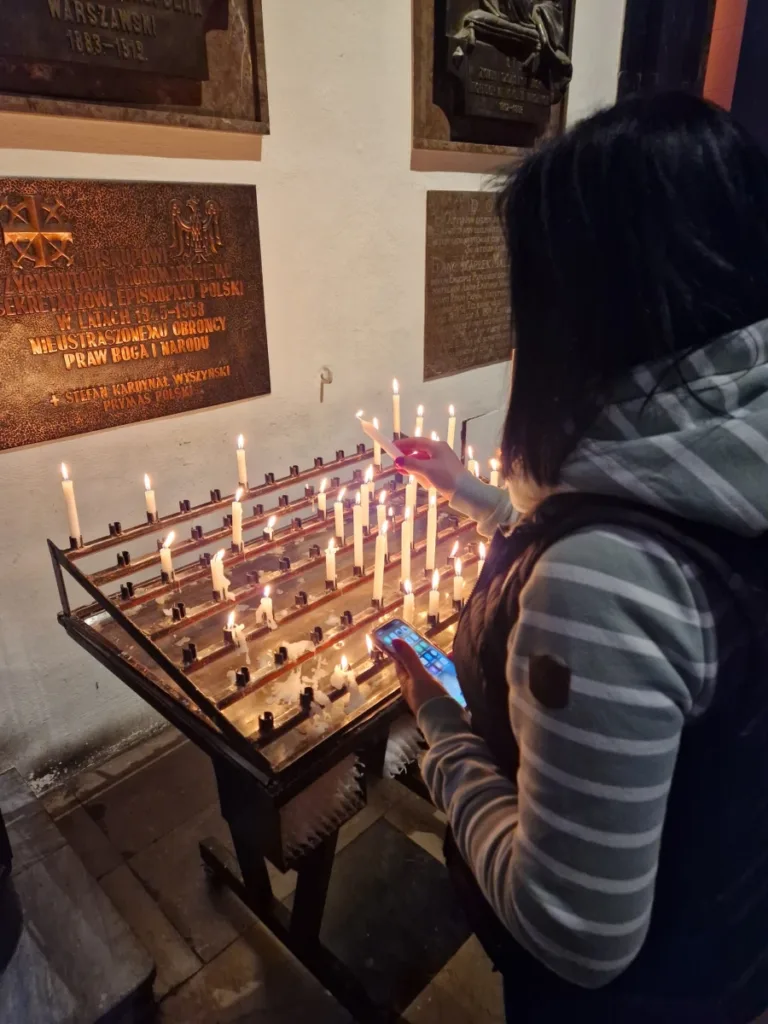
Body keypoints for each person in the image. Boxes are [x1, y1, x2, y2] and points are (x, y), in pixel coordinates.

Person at [393, 92, 768, 1023]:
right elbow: (677, 546)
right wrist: (476, 497)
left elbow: (572, 929)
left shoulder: (602, 585)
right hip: (733, 934)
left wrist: (441, 731)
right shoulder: (741, 445)